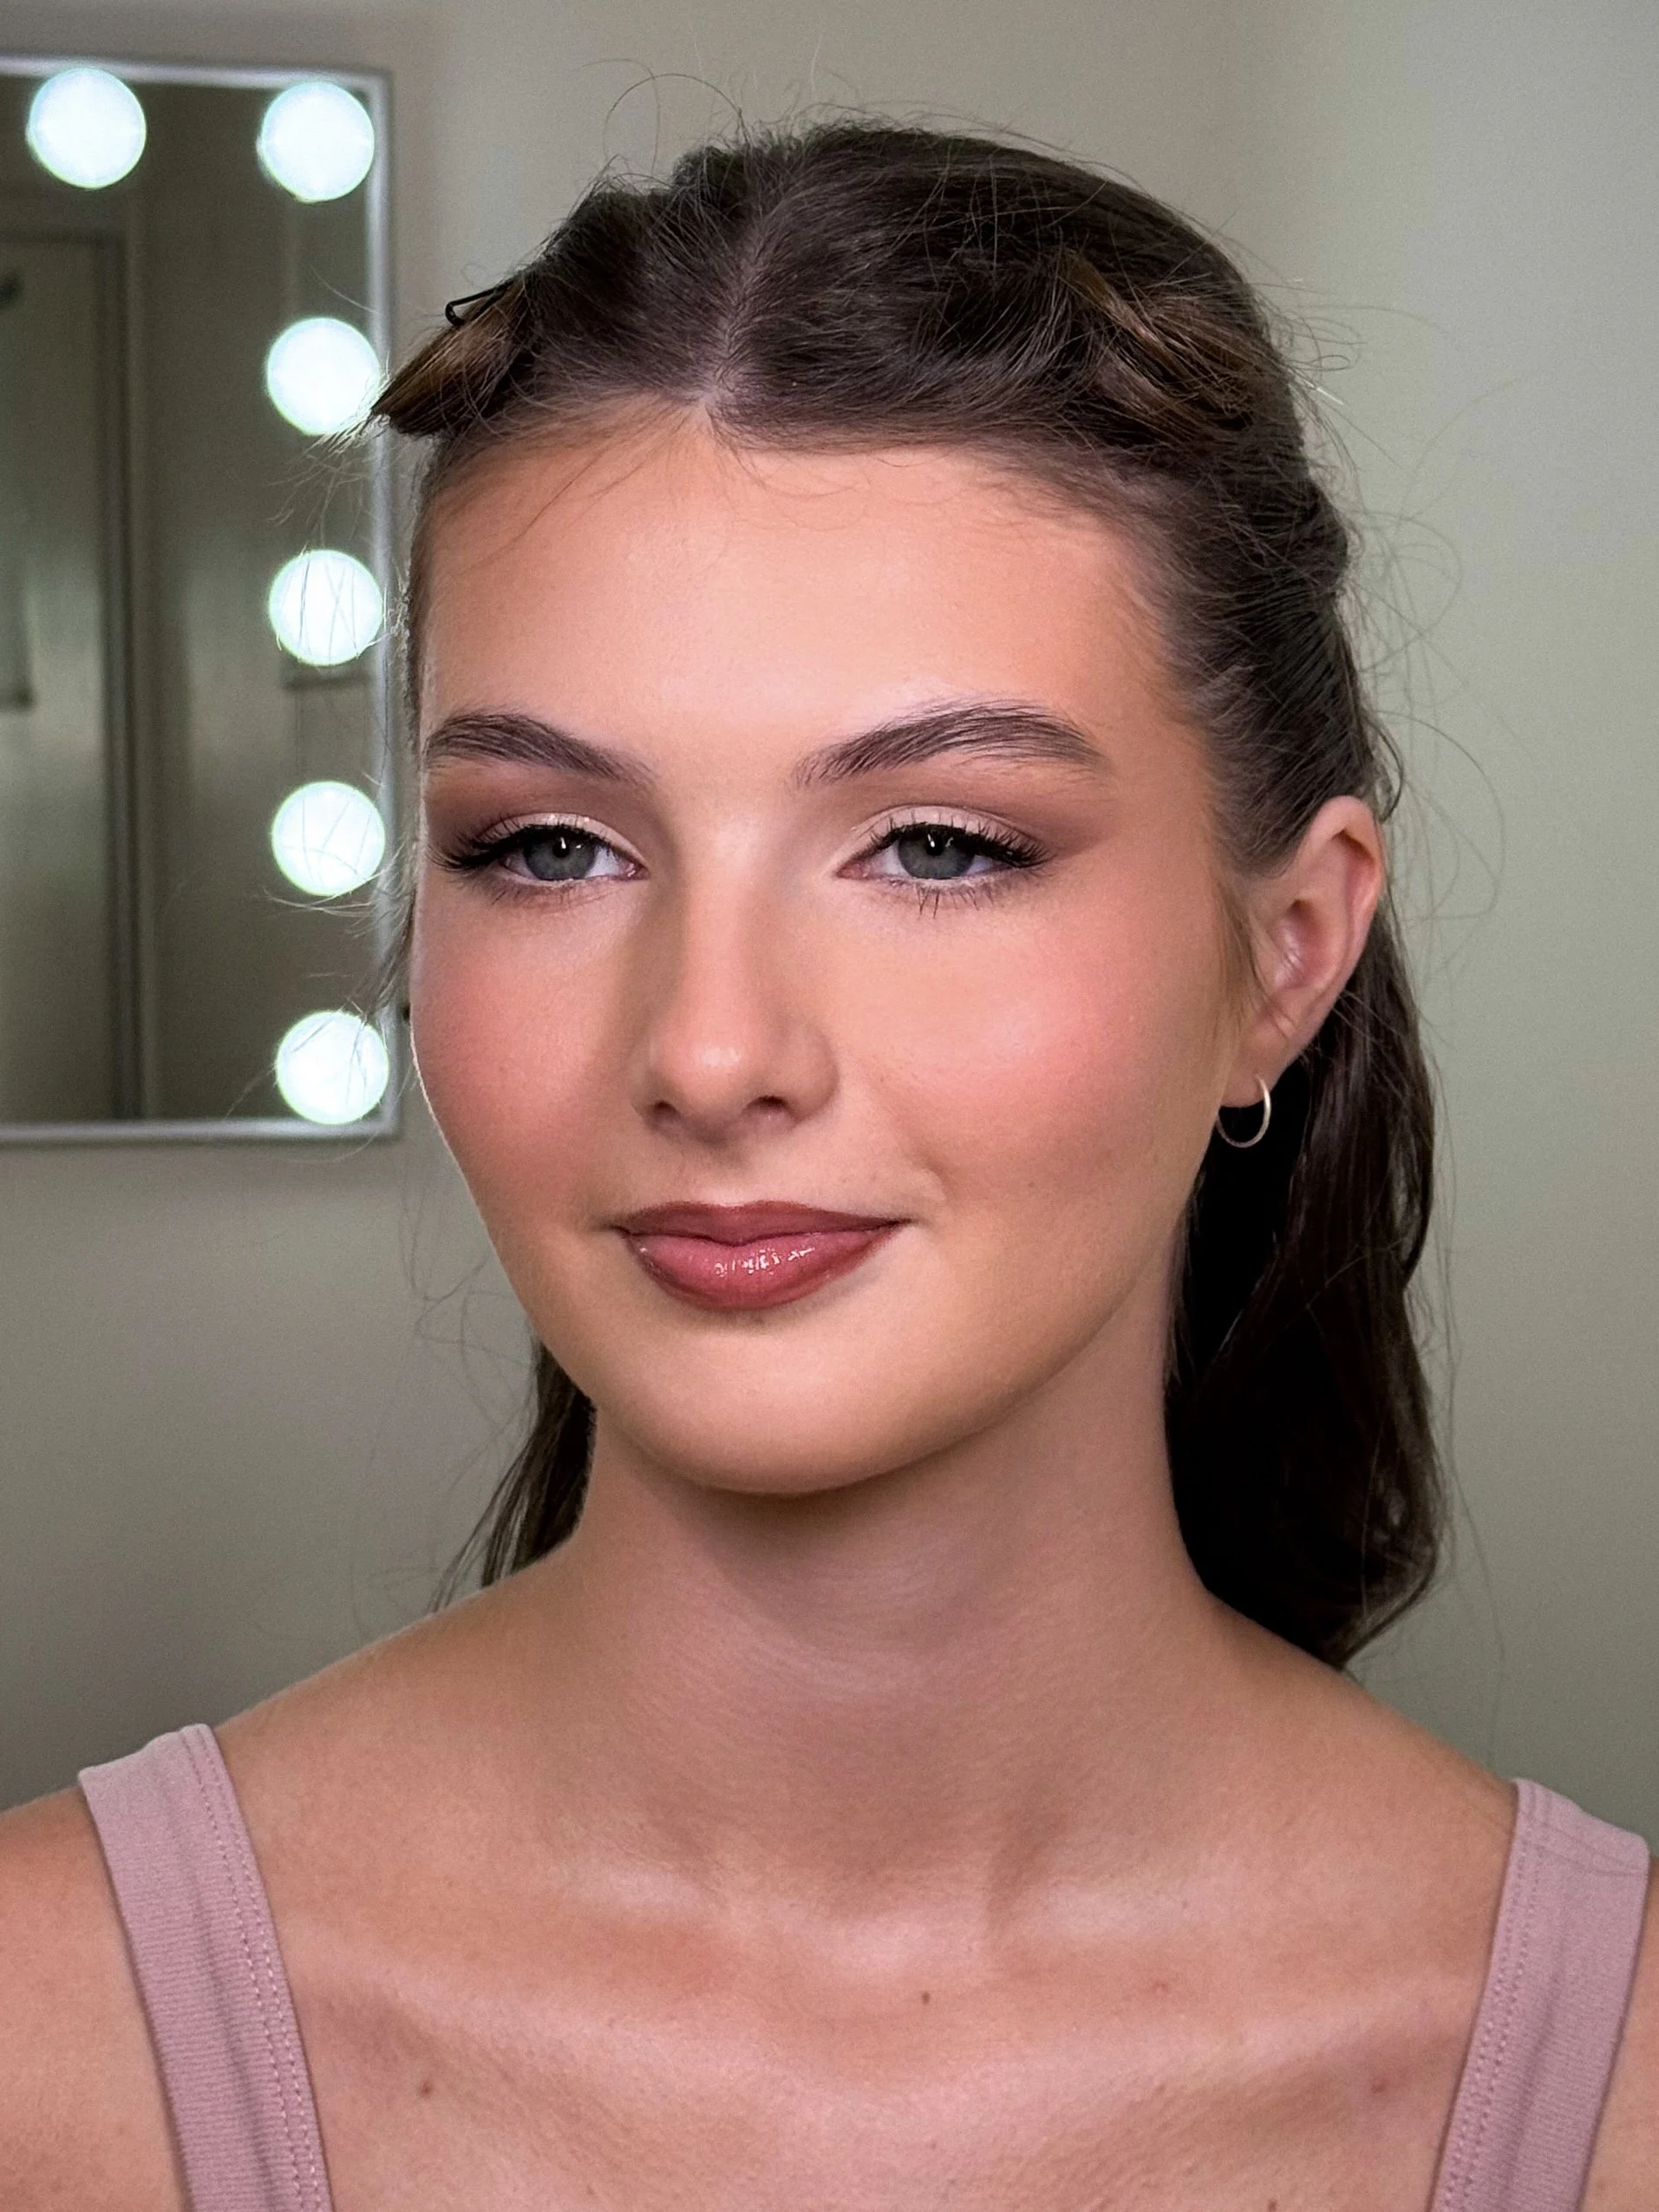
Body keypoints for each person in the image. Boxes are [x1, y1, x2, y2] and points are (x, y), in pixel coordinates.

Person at [0, 117, 1652, 2211]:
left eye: (939, 846)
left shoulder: (1613, 2094)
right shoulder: (37, 2042)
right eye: (550, 847)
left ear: (1286, 950)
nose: (707, 1051)